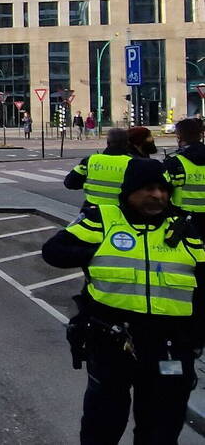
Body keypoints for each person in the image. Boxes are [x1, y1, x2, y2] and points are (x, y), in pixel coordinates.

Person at [41, 158, 205, 444]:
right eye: (148, 188)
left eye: (163, 189)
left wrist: (196, 335)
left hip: (170, 347)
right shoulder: (103, 219)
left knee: (161, 431)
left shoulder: (184, 229)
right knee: (102, 425)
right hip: (113, 341)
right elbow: (54, 251)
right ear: (129, 191)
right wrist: (92, 252)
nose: (158, 195)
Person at [64, 128, 132, 209]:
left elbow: (69, 183)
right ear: (127, 143)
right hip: (122, 213)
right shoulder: (133, 162)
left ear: (107, 143)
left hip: (92, 213)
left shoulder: (90, 160)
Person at [164, 118, 205, 232]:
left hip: (184, 219)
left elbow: (164, 192)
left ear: (179, 137)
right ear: (201, 135)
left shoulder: (174, 163)